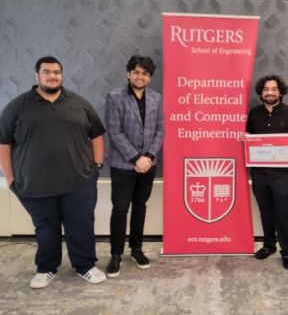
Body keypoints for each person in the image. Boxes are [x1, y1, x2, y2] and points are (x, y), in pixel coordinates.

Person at [0, 56, 107, 288]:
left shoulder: (79, 103)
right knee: (45, 228)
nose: (52, 76)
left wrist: (97, 166)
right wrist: (9, 179)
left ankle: (85, 266)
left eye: (57, 72)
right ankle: (47, 268)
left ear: (62, 75)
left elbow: (97, 134)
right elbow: (4, 143)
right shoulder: (18, 106)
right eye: (47, 72)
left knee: (81, 226)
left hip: (79, 182)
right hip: (35, 185)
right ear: (37, 75)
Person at [105, 55, 165, 278]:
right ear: (128, 73)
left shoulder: (156, 98)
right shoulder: (115, 97)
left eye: (145, 73)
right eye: (136, 72)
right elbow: (115, 132)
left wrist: (148, 157)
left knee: (140, 206)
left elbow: (161, 130)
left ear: (149, 77)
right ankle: (116, 254)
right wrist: (135, 158)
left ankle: (136, 249)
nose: (140, 76)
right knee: (120, 209)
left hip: (148, 164)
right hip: (123, 165)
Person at [241, 75, 288, 269]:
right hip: (259, 173)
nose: (270, 93)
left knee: (283, 213)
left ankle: (287, 251)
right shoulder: (254, 113)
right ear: (261, 93)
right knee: (265, 211)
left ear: (280, 92)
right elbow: (249, 134)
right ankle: (268, 245)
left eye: (274, 89)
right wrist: (246, 137)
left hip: (282, 173)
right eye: (266, 89)